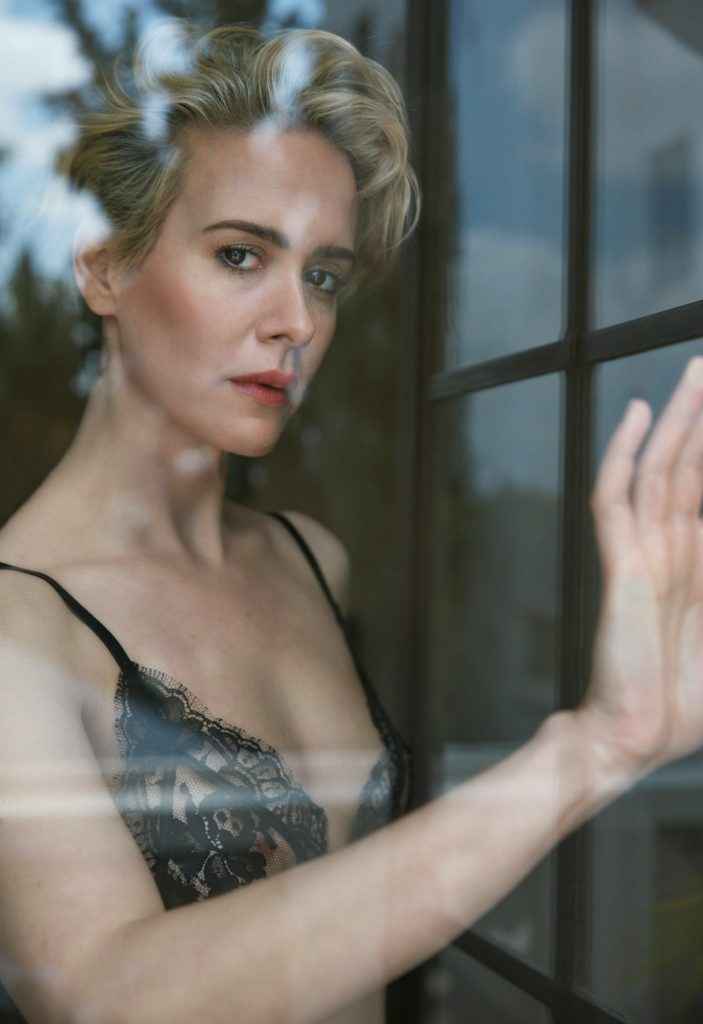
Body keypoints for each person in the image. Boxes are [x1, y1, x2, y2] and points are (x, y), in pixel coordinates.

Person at [0, 20, 702, 1024]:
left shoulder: (307, 559)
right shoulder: (17, 627)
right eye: (240, 254)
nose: (297, 322)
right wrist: (594, 745)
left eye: (322, 275)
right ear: (105, 268)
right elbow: (108, 997)